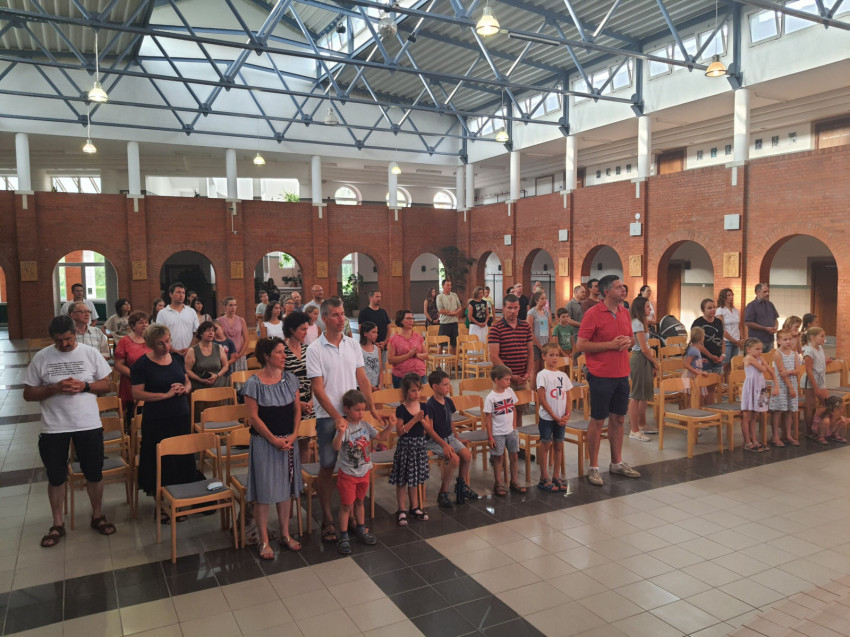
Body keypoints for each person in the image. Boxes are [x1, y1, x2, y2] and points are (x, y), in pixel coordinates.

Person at [23, 315, 115, 547]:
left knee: (94, 472)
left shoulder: (90, 353)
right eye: (58, 340)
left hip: (88, 424)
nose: (64, 344)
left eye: (67, 339)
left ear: (75, 333)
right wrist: (53, 389)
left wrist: (85, 386)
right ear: (52, 338)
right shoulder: (42, 357)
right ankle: (57, 524)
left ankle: (97, 515)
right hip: (54, 427)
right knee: (56, 476)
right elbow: (28, 394)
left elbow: (107, 385)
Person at [306, 296, 383, 544]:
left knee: (353, 465)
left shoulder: (351, 344)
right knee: (328, 464)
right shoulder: (315, 349)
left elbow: (363, 379)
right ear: (324, 318)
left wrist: (372, 408)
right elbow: (318, 389)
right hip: (328, 417)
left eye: (343, 314)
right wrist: (337, 416)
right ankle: (328, 518)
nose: (341, 319)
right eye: (336, 315)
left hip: (353, 416)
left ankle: (349, 514)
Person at [575, 275, 641, 486]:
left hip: (622, 373)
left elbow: (631, 338)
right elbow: (581, 345)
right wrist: (610, 345)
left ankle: (616, 462)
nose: (623, 289)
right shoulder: (593, 314)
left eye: (623, 286)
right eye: (618, 287)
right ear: (606, 292)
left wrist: (628, 342)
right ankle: (594, 467)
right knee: (598, 420)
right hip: (601, 374)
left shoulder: (624, 312)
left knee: (619, 419)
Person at [243, 336, 303, 558]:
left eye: (284, 351)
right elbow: (253, 417)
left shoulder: (290, 379)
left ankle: (285, 534)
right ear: (266, 356)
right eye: (279, 352)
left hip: (288, 441)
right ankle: (264, 541)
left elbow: (296, 409)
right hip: (265, 443)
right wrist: (273, 439)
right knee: (265, 492)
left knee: (285, 490)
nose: (284, 356)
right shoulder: (254, 383)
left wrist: (294, 434)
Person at [131, 324, 196, 504]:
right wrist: (165, 395)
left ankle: (180, 498)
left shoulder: (177, 358)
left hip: (180, 415)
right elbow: (137, 393)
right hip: (157, 419)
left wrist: (185, 389)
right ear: (151, 344)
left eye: (168, 341)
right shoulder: (142, 364)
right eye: (160, 343)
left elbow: (187, 381)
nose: (166, 346)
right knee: (159, 459)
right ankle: (161, 503)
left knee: (180, 456)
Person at [333, 389, 394, 554]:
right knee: (346, 506)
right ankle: (343, 537)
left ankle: (361, 530)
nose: (361, 413)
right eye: (357, 410)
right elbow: (336, 447)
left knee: (360, 502)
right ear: (347, 409)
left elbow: (381, 437)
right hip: (348, 475)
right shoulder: (344, 428)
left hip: (364, 472)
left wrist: (390, 426)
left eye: (363, 410)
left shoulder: (365, 426)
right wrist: (340, 432)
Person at [424, 369, 478, 507]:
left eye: (449, 384)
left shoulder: (448, 401)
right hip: (435, 441)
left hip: (449, 437)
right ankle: (443, 491)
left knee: (467, 456)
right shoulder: (430, 405)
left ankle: (461, 486)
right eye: (445, 385)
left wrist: (457, 438)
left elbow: (450, 422)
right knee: (454, 459)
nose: (449, 387)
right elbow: (430, 430)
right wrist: (444, 445)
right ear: (435, 387)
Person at [390, 373, 434, 525]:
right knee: (402, 480)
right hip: (405, 447)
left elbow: (428, 429)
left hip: (419, 446)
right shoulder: (401, 409)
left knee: (414, 479)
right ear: (406, 392)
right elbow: (400, 431)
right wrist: (414, 420)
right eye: (413, 391)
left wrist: (421, 420)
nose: (417, 393)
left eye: (419, 390)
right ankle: (401, 509)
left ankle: (414, 507)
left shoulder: (424, 407)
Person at [536, 344, 572, 492]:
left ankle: (556, 476)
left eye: (557, 355)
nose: (555, 358)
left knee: (558, 445)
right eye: (551, 355)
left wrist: (567, 414)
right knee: (545, 445)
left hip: (561, 418)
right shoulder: (542, 374)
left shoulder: (563, 375)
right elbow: (541, 399)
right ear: (544, 357)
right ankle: (544, 477)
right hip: (547, 418)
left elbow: (568, 396)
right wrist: (554, 416)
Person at [484, 365, 524, 497]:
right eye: (506, 379)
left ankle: (514, 481)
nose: (509, 382)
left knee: (514, 456)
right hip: (497, 433)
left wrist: (514, 427)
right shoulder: (491, 397)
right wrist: (490, 437)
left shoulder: (510, 391)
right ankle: (498, 483)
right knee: (498, 458)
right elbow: (488, 418)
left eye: (509, 379)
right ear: (497, 380)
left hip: (511, 431)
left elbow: (513, 408)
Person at [488, 294, 533, 401]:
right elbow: (494, 356)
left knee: (522, 409)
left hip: (522, 378)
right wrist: (509, 376)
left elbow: (530, 352)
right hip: (504, 380)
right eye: (509, 308)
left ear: (519, 308)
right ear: (503, 308)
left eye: (515, 308)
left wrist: (527, 373)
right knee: (505, 410)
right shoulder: (496, 328)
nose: (513, 311)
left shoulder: (525, 326)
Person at [282, 312, 314, 464]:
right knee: (289, 445)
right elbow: (279, 382)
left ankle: (304, 477)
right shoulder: (282, 351)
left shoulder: (308, 350)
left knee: (305, 444)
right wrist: (297, 403)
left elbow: (315, 379)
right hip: (290, 404)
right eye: (302, 329)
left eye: (307, 329)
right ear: (291, 329)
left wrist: (312, 401)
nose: (306, 333)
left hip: (308, 404)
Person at [627, 296, 659, 442]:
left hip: (645, 359)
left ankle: (642, 424)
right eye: (647, 306)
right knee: (636, 395)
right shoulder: (637, 323)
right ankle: (634, 430)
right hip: (639, 358)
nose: (650, 309)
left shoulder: (642, 322)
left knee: (644, 394)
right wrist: (655, 362)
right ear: (640, 308)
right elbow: (644, 348)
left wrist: (651, 364)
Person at [740, 337, 778, 453]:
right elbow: (762, 369)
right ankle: (747, 441)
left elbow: (771, 371)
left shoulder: (759, 358)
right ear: (748, 349)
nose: (760, 351)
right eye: (757, 349)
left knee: (755, 415)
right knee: (747, 415)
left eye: (761, 349)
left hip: (760, 387)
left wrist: (776, 385)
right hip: (750, 388)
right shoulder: (748, 358)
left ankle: (755, 440)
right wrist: (763, 364)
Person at [113, 311, 151, 423]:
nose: (144, 325)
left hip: (151, 382)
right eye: (141, 323)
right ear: (133, 326)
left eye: (146, 322)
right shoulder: (124, 341)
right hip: (131, 383)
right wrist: (136, 376)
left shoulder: (151, 339)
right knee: (133, 417)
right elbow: (118, 364)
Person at [769, 328, 800, 447]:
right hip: (781, 385)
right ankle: (775, 436)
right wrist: (790, 387)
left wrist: (789, 371)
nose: (788, 342)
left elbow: (798, 370)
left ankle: (787, 435)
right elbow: (782, 374)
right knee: (778, 411)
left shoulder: (794, 353)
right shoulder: (778, 354)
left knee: (789, 411)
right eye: (785, 339)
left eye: (790, 339)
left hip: (792, 383)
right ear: (778, 341)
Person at [691, 298, 725, 405]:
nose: (713, 310)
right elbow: (697, 344)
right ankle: (700, 409)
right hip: (704, 358)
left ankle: (710, 409)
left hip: (717, 358)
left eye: (714, 307)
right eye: (709, 308)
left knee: (712, 386)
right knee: (703, 387)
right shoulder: (698, 323)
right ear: (703, 310)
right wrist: (710, 356)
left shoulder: (718, 322)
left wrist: (723, 354)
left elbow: (722, 339)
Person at [185, 321, 230, 392]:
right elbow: (187, 370)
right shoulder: (192, 350)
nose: (211, 333)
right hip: (200, 388)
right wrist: (200, 380)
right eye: (208, 331)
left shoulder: (219, 348)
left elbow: (225, 366)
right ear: (201, 333)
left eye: (213, 330)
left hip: (219, 387)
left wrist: (217, 375)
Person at [156, 281, 199, 356]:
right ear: (171, 294)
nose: (181, 295)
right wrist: (173, 350)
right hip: (169, 354)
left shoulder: (191, 311)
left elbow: (197, 333)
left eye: (183, 293)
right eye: (178, 292)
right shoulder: (162, 313)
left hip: (189, 353)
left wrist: (190, 348)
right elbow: (159, 335)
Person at [387, 309, 428, 388]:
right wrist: (408, 355)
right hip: (401, 376)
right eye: (408, 318)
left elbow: (426, 355)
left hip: (419, 374)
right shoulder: (394, 339)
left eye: (412, 318)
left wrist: (416, 355)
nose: (411, 321)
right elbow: (391, 360)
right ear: (401, 320)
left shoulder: (417, 336)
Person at [802, 326, 829, 440]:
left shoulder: (820, 348)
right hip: (810, 382)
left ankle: (821, 428)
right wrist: (816, 387)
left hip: (820, 380)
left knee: (828, 404)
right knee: (811, 406)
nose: (824, 339)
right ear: (813, 337)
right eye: (821, 336)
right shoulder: (809, 351)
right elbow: (809, 371)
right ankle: (809, 431)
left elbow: (819, 364)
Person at [744, 283, 779, 352]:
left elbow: (775, 319)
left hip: (770, 340)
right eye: (765, 292)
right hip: (757, 340)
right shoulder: (751, 305)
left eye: (768, 291)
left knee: (769, 358)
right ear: (757, 292)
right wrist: (765, 328)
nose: (767, 294)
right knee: (757, 358)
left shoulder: (770, 304)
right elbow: (748, 322)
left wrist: (775, 327)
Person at [715, 288, 743, 374]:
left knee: (732, 365)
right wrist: (734, 341)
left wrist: (741, 339)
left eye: (732, 295)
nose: (731, 297)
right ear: (723, 297)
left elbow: (739, 325)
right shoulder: (720, 310)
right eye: (728, 295)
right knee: (725, 364)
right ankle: (720, 381)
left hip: (736, 340)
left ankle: (728, 381)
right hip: (727, 341)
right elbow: (722, 329)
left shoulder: (735, 310)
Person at [219, 296, 249, 372]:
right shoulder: (219, 321)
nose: (233, 307)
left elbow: (246, 339)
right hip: (225, 356)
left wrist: (240, 354)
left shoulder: (241, 320)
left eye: (235, 305)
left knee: (239, 377)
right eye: (230, 305)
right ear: (225, 307)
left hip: (239, 355)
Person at [358, 290, 391, 356]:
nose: (379, 299)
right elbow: (361, 330)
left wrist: (385, 342)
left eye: (380, 297)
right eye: (377, 297)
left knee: (383, 362)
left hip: (383, 346)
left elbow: (389, 327)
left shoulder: (383, 312)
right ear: (371, 298)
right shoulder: (364, 313)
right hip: (369, 347)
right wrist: (374, 343)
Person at [436, 279, 463, 354]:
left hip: (454, 323)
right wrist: (452, 313)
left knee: (454, 344)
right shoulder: (440, 296)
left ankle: (453, 361)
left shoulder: (454, 295)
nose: (449, 287)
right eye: (447, 285)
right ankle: (438, 361)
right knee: (441, 344)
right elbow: (441, 310)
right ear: (443, 286)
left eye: (450, 285)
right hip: (445, 323)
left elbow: (460, 307)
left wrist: (455, 313)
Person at [527, 290, 551, 375]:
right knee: (535, 369)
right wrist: (539, 345)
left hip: (544, 342)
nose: (545, 300)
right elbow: (530, 331)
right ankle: (533, 384)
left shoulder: (546, 312)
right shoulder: (532, 312)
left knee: (542, 368)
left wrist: (548, 343)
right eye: (542, 299)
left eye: (545, 298)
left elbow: (548, 328)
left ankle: (541, 384)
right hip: (535, 344)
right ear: (537, 300)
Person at [682, 327, 708, 401]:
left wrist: (700, 361)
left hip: (695, 373)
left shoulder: (694, 349)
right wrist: (699, 373)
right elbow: (687, 364)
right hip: (692, 374)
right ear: (701, 338)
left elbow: (693, 361)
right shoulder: (694, 350)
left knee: (697, 395)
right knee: (693, 396)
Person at [359, 321, 381, 391]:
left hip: (376, 385)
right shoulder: (359, 349)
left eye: (377, 332)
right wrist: (370, 386)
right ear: (365, 333)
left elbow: (380, 368)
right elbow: (358, 372)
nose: (376, 335)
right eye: (374, 332)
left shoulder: (377, 349)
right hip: (363, 385)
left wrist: (380, 384)